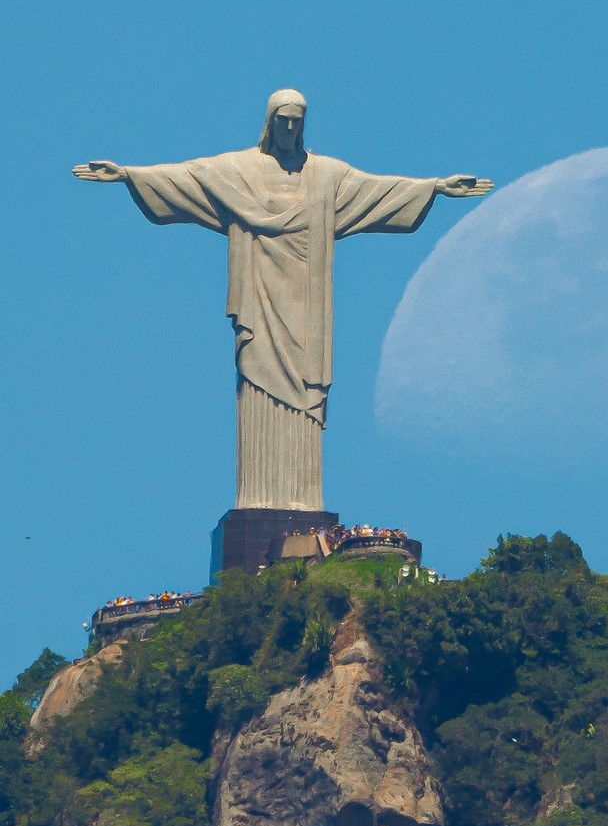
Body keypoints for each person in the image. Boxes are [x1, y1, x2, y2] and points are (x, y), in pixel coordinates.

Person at [73, 89, 492, 510]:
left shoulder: (327, 176)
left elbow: (378, 190)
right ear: (269, 122)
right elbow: (187, 177)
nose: (289, 128)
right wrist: (127, 173)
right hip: (259, 298)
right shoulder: (238, 170)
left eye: (296, 121)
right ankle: (256, 497)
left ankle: (303, 499)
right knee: (257, 377)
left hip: (306, 305)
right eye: (282, 120)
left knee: (305, 389)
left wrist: (435, 187)